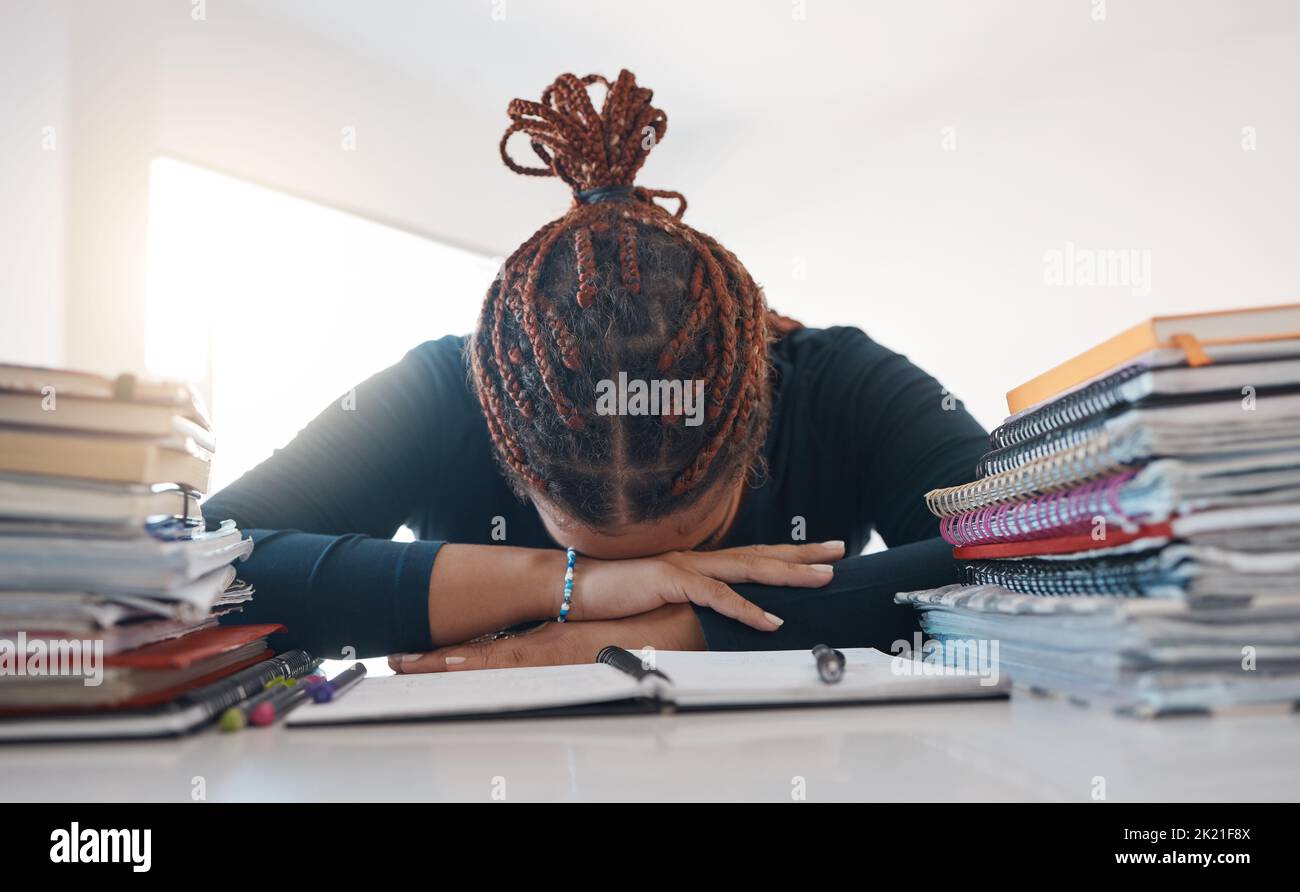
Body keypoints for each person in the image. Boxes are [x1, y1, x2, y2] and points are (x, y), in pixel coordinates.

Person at [204, 69, 987, 673]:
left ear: (760, 419)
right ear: (507, 448)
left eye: (688, 551)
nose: (649, 579)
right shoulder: (446, 388)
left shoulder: (841, 383)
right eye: (609, 562)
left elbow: (1056, 548)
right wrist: (567, 586)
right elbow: (196, 564)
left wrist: (685, 626)